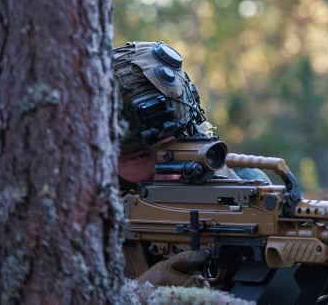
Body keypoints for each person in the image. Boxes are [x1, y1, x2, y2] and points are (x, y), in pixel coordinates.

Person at [113, 41, 270, 286]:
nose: (170, 173)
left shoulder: (247, 185)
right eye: (140, 156)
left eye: (178, 145)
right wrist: (143, 292)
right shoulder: (73, 218)